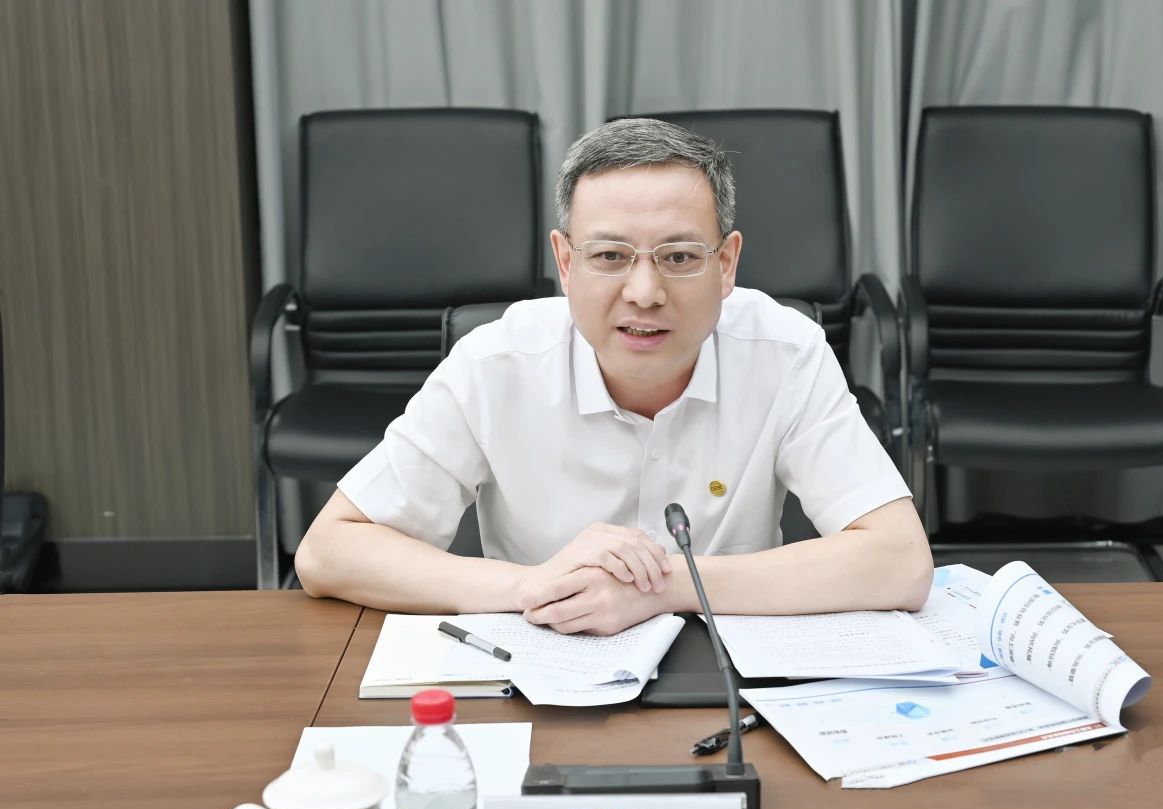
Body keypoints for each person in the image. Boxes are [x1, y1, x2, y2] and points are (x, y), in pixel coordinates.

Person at [296, 118, 932, 634]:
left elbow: (901, 559)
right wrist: (533, 586)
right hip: (543, 667)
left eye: (679, 256)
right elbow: (329, 551)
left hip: (726, 672)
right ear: (566, 263)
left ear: (726, 265)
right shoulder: (494, 365)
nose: (644, 292)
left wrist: (664, 587)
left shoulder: (785, 352)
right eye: (609, 256)